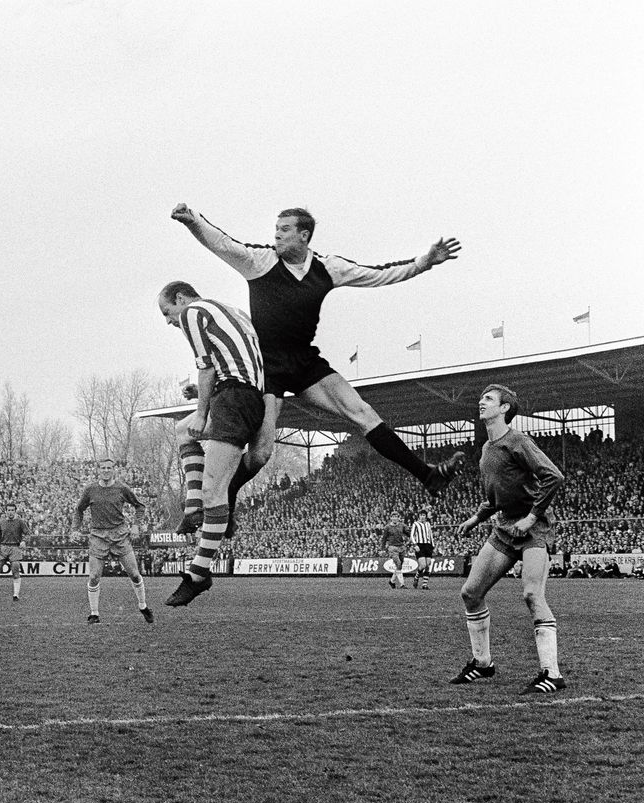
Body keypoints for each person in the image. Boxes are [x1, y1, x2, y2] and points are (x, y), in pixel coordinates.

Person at [170, 204, 466, 534]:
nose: (276, 233)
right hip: (268, 368)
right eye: (276, 227)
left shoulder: (328, 267)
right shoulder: (260, 262)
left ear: (304, 235)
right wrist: (194, 221)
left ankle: (429, 475)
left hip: (305, 361)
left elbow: (378, 274)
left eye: (284, 228)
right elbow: (222, 242)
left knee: (363, 412)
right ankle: (229, 494)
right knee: (261, 454)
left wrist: (423, 263)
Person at [153, 281, 265, 608]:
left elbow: (205, 367)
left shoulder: (193, 312)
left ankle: (198, 575)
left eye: (167, 311)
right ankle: (192, 509)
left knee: (214, 490)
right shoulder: (234, 312)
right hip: (244, 395)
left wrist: (203, 411)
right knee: (183, 430)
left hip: (234, 399)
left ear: (181, 298)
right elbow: (228, 364)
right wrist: (202, 397)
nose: (169, 321)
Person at [451, 384, 567, 694]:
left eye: (488, 399)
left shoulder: (518, 441)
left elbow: (553, 476)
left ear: (504, 408)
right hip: (503, 529)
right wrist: (477, 517)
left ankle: (552, 674)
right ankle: (482, 664)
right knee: (470, 592)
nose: (481, 402)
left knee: (532, 595)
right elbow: (496, 495)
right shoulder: (487, 449)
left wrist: (532, 515)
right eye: (481, 398)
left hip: (534, 530)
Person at [72, 459, 153, 624]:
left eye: (109, 468)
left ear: (114, 470)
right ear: (98, 470)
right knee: (94, 576)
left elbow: (140, 506)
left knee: (135, 574)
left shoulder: (122, 488)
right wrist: (75, 528)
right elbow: (79, 509)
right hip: (98, 535)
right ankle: (94, 614)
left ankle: (143, 606)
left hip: (120, 534)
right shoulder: (90, 489)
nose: (106, 470)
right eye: (103, 468)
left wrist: (136, 525)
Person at [0, 502, 29, 602]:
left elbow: (28, 533)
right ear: (6, 511)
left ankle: (16, 595)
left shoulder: (20, 522)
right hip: (3, 548)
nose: (10, 512)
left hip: (15, 548)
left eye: (12, 510)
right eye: (8, 510)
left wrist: (24, 541)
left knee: (15, 571)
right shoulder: (1, 522)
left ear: (15, 511)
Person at [380, 511, 411, 590]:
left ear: (398, 518)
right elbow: (384, 539)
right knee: (398, 563)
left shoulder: (402, 525)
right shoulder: (387, 527)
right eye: (393, 517)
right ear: (390, 518)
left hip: (401, 547)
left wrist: (411, 536)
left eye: (396, 517)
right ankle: (402, 584)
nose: (394, 518)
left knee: (399, 566)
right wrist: (383, 549)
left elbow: (408, 533)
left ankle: (392, 581)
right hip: (392, 547)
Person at [410, 509, 435, 589]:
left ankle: (424, 585)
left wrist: (432, 545)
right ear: (419, 516)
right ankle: (416, 577)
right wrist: (415, 545)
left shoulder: (428, 524)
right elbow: (412, 535)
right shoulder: (415, 524)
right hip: (419, 545)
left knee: (428, 565)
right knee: (423, 565)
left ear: (426, 516)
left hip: (428, 545)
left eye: (424, 515)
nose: (422, 517)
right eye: (421, 515)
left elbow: (430, 535)